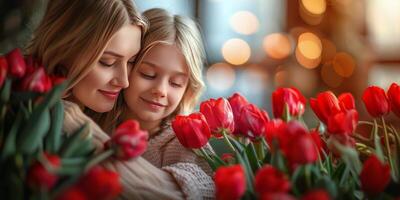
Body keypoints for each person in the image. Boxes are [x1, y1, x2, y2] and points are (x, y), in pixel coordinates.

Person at [26, 1, 189, 199]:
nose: (124, 81)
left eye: (130, 62)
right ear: (65, 50)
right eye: (107, 62)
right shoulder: (27, 115)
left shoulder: (99, 118)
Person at [94, 8, 215, 199]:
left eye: (176, 83)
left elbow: (204, 186)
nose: (161, 90)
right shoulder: (95, 119)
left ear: (187, 89)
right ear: (126, 66)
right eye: (148, 74)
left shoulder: (184, 141)